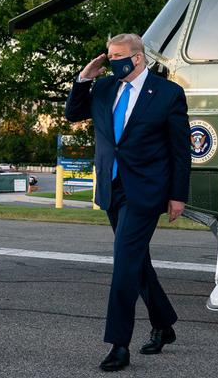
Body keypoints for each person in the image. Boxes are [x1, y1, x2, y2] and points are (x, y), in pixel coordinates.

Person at [65, 33, 190, 372]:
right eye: (109, 54)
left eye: (118, 55)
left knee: (123, 263)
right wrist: (84, 79)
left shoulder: (168, 94)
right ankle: (164, 324)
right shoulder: (104, 89)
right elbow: (73, 114)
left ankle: (119, 344)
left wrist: (178, 195)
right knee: (136, 261)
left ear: (137, 58)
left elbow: (181, 151)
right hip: (112, 187)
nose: (112, 60)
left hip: (146, 191)